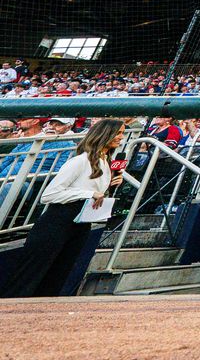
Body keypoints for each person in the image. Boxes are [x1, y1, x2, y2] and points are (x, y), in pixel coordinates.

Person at [0, 118, 125, 297]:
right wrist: (88, 194)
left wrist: (111, 186)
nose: (121, 137)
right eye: (118, 133)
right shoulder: (81, 160)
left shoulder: (106, 162)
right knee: (29, 276)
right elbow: (49, 195)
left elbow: (93, 193)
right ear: (105, 134)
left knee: (58, 276)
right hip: (58, 220)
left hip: (81, 224)